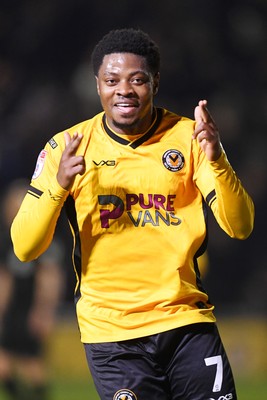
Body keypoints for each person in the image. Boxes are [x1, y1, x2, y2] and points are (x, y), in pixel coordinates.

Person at [10, 28, 254, 400]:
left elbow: (240, 227)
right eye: (112, 80)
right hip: (113, 335)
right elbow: (24, 247)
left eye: (137, 79)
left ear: (155, 82)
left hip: (186, 324)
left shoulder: (191, 139)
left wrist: (217, 160)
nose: (123, 89)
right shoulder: (67, 147)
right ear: (97, 85)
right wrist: (59, 186)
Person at [0, 179, 64, 400]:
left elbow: (50, 279)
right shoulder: (8, 241)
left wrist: (44, 311)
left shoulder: (42, 239)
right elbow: (5, 280)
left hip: (31, 310)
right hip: (13, 311)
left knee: (32, 365)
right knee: (5, 364)